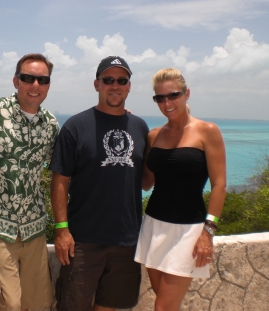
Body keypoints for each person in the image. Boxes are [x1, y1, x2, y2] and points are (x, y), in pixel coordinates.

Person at [50, 56, 149, 311]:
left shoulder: (139, 126)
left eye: (121, 80)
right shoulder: (75, 126)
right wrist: (62, 229)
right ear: (97, 85)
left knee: (109, 306)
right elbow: (60, 180)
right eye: (108, 80)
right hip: (83, 240)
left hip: (126, 240)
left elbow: (147, 180)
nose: (114, 85)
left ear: (129, 86)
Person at [134, 68, 226, 311]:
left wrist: (209, 231)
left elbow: (219, 185)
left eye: (173, 95)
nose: (167, 103)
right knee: (163, 301)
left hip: (189, 230)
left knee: (163, 307)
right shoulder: (154, 135)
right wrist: (127, 129)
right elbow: (145, 182)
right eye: (160, 98)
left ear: (187, 94)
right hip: (154, 225)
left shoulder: (207, 131)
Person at [0, 53, 59, 311]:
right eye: (28, 78)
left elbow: (64, 169)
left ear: (48, 84)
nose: (35, 85)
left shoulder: (50, 124)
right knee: (8, 305)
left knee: (39, 303)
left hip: (35, 227)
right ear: (16, 81)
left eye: (42, 80)